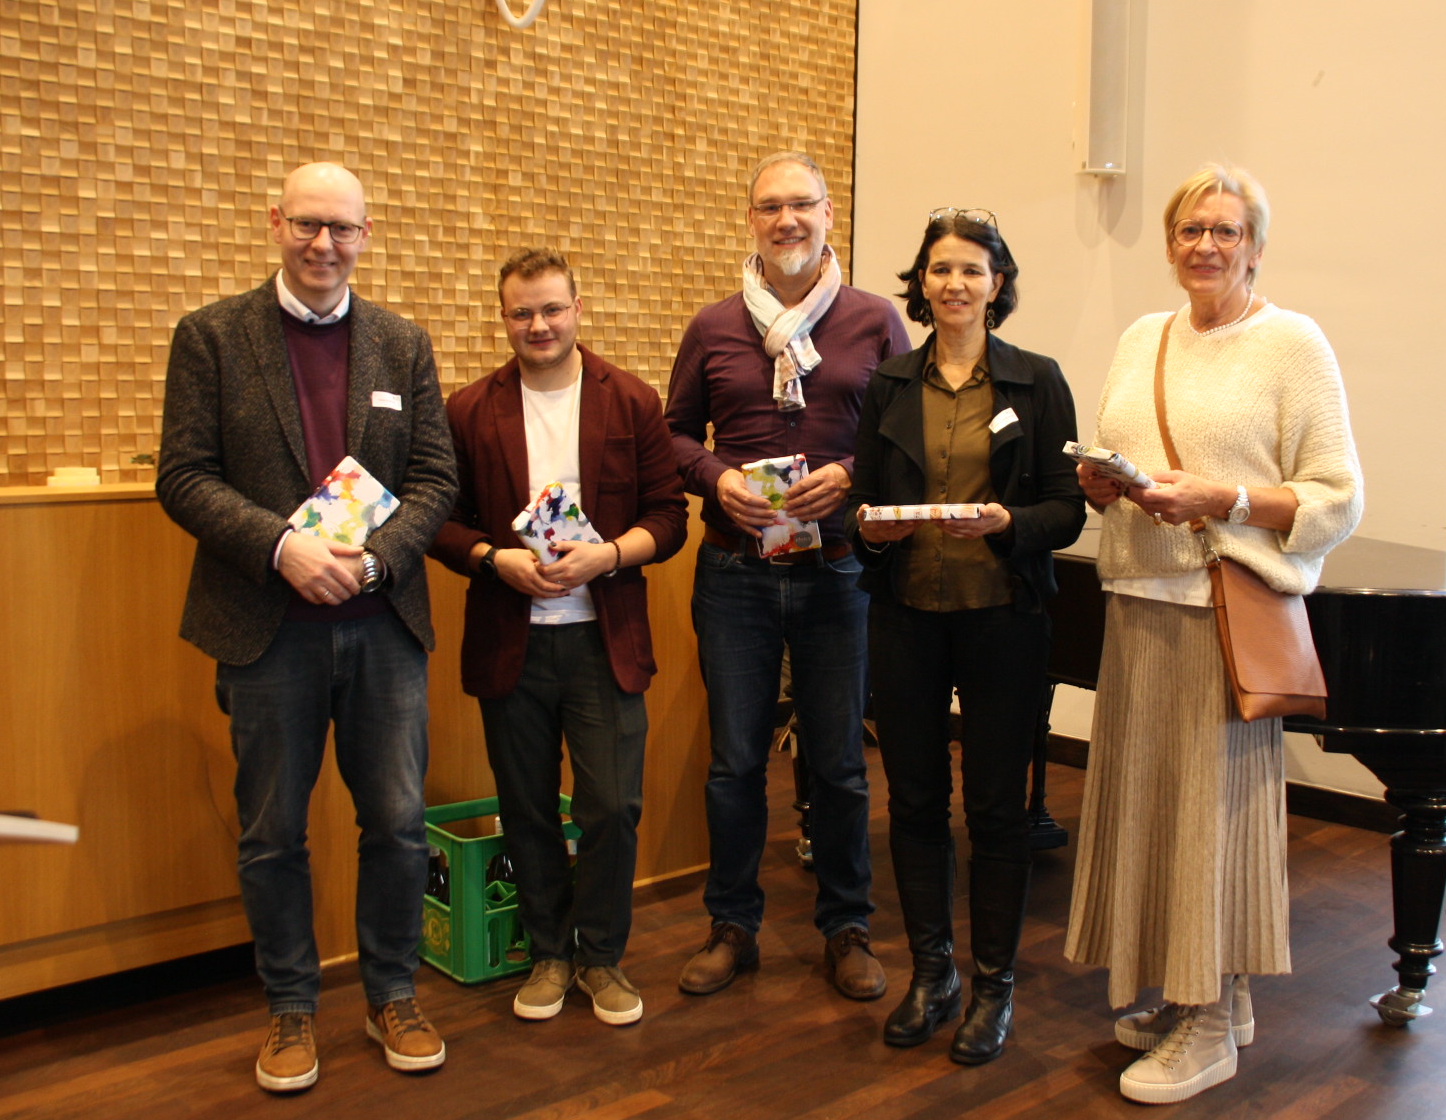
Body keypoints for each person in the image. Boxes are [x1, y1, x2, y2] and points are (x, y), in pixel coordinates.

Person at [1063, 163, 1361, 1105]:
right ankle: (1205, 994)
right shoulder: (1142, 337)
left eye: (1226, 231)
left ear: (1256, 246)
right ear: (1169, 243)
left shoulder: (1292, 344)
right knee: (1153, 812)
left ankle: (1208, 1023)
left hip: (1220, 613)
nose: (1205, 245)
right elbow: (1127, 456)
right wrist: (1102, 484)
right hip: (1136, 602)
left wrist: (1224, 498)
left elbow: (1337, 498)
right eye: (1191, 229)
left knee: (1209, 821)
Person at [156, 162, 457, 1093]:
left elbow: (436, 481)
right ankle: (290, 1009)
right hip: (266, 628)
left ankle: (392, 994)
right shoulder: (211, 336)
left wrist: (373, 562)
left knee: (398, 825)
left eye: (342, 228)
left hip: (383, 625)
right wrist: (281, 547)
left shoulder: (402, 343)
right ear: (275, 223)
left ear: (367, 235)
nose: (324, 244)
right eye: (307, 224)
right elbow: (183, 475)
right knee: (273, 833)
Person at [665, 150, 911, 999]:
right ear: (751, 220)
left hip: (838, 572)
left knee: (838, 761)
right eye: (769, 207)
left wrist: (849, 474)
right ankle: (732, 926)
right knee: (735, 762)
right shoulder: (712, 327)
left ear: (828, 213)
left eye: (801, 204)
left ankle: (847, 928)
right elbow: (673, 435)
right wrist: (716, 479)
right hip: (734, 574)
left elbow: (906, 439)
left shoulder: (875, 320)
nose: (786, 221)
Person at [845, 209, 1084, 1064]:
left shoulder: (1037, 380)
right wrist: (868, 528)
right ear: (922, 283)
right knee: (913, 803)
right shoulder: (889, 383)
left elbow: (1066, 507)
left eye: (972, 270)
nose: (955, 284)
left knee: (995, 810)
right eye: (940, 269)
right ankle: (932, 975)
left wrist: (1008, 523)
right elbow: (860, 502)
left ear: (997, 285)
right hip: (906, 617)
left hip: (1002, 620)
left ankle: (994, 987)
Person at [429, 249, 687, 1028]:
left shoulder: (631, 401)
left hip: (604, 641)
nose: (538, 325)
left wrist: (609, 555)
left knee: (611, 806)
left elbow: (669, 516)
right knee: (527, 808)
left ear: (578, 307)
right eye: (522, 312)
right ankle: (549, 953)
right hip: (511, 640)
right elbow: (440, 520)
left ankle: (600, 957)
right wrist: (493, 559)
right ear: (503, 318)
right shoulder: (468, 409)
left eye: (551, 308)